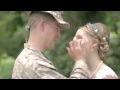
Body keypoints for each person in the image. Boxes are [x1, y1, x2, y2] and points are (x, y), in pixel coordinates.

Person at [11, 11, 90, 79]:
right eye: (57, 28)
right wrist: (80, 61)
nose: (59, 34)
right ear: (42, 25)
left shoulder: (27, 58)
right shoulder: (35, 64)